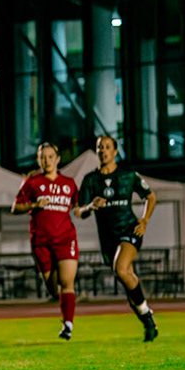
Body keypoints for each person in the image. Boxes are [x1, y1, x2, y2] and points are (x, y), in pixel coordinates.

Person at [75, 133, 159, 342]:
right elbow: (78, 211)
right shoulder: (90, 180)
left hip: (129, 230)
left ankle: (147, 317)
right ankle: (147, 319)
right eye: (99, 147)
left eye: (106, 147)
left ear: (114, 151)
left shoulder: (128, 175)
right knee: (127, 277)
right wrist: (91, 206)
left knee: (121, 268)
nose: (103, 150)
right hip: (108, 238)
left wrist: (145, 220)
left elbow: (151, 196)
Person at [13, 140, 80, 339]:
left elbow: (77, 208)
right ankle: (61, 304)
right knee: (53, 287)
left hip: (66, 238)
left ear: (58, 159)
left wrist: (90, 208)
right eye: (43, 157)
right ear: (38, 159)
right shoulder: (32, 182)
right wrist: (35, 204)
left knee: (67, 282)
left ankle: (68, 324)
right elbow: (15, 208)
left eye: (50, 157)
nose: (47, 160)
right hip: (41, 241)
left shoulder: (69, 184)